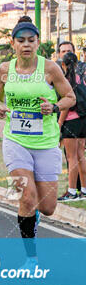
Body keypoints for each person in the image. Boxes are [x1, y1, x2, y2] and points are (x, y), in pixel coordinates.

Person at [0, 16, 75, 273]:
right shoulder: (5, 69)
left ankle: (34, 213)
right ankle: (30, 258)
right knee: (26, 197)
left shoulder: (50, 68)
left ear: (38, 43)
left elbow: (70, 96)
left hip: (47, 142)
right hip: (14, 141)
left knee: (47, 208)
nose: (26, 45)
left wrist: (54, 106)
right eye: (21, 41)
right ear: (13, 43)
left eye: (31, 40)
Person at [57, 52, 86, 201]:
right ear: (76, 64)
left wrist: (59, 124)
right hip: (83, 120)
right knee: (81, 155)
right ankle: (84, 190)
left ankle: (72, 191)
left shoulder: (65, 81)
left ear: (63, 65)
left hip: (71, 121)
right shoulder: (81, 79)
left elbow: (66, 106)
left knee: (71, 157)